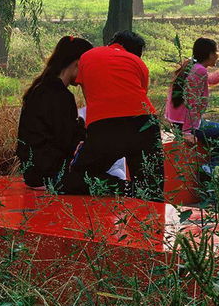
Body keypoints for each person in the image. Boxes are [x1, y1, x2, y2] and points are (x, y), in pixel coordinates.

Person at [66, 30, 163, 199]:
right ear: (134, 53)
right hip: (144, 123)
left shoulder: (89, 56)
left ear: (113, 42)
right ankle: (146, 210)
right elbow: (140, 94)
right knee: (151, 189)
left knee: (77, 177)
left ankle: (125, 188)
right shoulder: (138, 63)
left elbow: (83, 86)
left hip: (105, 126)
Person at [15, 35, 93, 190]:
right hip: (50, 174)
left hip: (32, 173)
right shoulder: (60, 96)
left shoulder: (40, 88)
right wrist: (84, 127)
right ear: (78, 64)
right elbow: (68, 141)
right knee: (109, 182)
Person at [165, 37, 219, 176]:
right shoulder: (198, 71)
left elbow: (209, 79)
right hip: (188, 125)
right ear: (210, 54)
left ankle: (213, 169)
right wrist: (187, 132)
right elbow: (192, 103)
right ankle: (214, 170)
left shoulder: (191, 65)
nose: (218, 55)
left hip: (178, 122)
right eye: (216, 52)